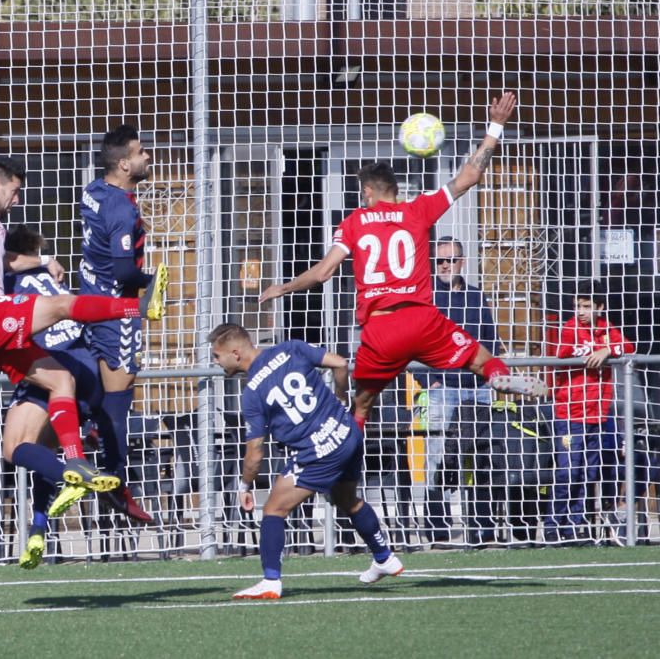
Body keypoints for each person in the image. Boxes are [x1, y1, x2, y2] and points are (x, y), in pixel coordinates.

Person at [259, 93, 546, 438]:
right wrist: (496, 125)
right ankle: (500, 378)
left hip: (381, 330)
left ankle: (346, 465)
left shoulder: (355, 222)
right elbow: (469, 176)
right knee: (482, 362)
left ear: (367, 191)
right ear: (395, 189)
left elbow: (323, 272)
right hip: (424, 320)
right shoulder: (417, 210)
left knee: (362, 405)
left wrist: (285, 288)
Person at [0, 110, 168, 511]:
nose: (17, 200)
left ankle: (72, 466)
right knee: (62, 306)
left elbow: (6, 263)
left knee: (59, 384)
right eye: (15, 191)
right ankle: (136, 307)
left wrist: (42, 261)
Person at [209, 323, 403, 599]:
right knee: (346, 498)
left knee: (274, 509)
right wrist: (340, 396)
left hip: (318, 451)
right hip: (346, 434)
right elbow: (340, 363)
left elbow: (255, 451)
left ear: (236, 353)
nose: (215, 362)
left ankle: (270, 580)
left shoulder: (252, 391)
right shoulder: (291, 348)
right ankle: (384, 556)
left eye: (217, 356)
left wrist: (244, 485)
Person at [1, 225, 154, 570]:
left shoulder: (7, 278)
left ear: (11, 255)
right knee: (44, 446)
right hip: (87, 368)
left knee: (14, 448)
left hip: (56, 365)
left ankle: (76, 475)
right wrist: (48, 258)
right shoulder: (50, 279)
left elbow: (4, 267)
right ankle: (39, 530)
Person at [78, 124, 161, 519]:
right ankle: (116, 485)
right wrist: (152, 282)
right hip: (118, 309)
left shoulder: (94, 191)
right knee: (120, 402)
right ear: (124, 164)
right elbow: (126, 270)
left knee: (103, 392)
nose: (148, 157)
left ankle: (92, 433)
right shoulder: (121, 208)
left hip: (90, 303)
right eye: (142, 152)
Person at [414, 236, 503, 542]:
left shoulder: (476, 297)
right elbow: (415, 343)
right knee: (438, 457)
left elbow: (490, 340)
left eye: (451, 260)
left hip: (476, 388)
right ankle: (437, 528)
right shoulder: (426, 298)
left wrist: (489, 378)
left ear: (462, 262)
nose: (445, 266)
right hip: (442, 388)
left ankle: (481, 527)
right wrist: (430, 381)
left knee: (479, 457)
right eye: (440, 260)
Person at [544, 279, 634, 545]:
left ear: (599, 307)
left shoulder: (608, 331)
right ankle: (553, 524)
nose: (580, 311)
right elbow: (562, 351)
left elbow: (629, 346)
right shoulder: (569, 329)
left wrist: (607, 349)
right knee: (567, 471)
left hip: (598, 413)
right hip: (569, 413)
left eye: (586, 306)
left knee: (588, 472)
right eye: (577, 306)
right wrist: (592, 350)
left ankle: (576, 524)